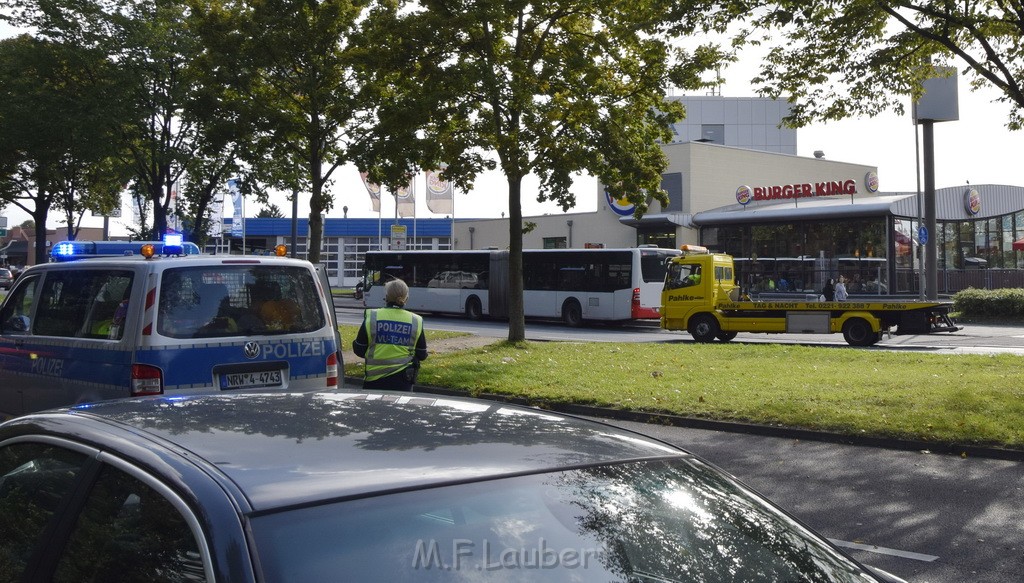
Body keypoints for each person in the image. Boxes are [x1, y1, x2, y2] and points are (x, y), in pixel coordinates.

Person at [353, 279, 428, 391]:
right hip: (403, 383)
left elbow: (359, 349)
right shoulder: (416, 320)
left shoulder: (373, 316)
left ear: (386, 297)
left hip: (374, 382)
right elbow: (422, 354)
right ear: (406, 298)